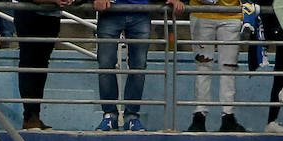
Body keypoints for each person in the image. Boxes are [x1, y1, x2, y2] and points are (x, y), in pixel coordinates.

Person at [94, 0, 170, 132]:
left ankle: (131, 116)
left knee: (138, 66)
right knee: (106, 65)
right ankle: (110, 115)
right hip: (109, 11)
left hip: (140, 11)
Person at [186, 0, 246, 132]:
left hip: (232, 14)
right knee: (202, 67)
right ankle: (199, 115)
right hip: (201, 12)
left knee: (229, 68)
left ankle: (228, 116)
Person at [15, 0, 74, 130]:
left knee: (41, 66)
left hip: (52, 16)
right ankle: (30, 117)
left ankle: (33, 116)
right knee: (30, 64)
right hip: (30, 14)